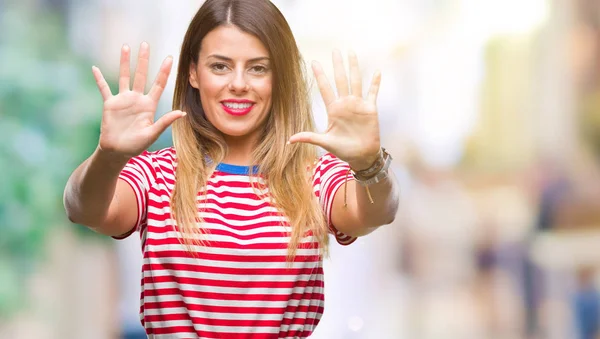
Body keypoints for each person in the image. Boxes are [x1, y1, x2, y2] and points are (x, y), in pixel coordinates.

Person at [63, 0, 399, 337]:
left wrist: (369, 164)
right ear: (193, 73)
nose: (239, 83)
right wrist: (108, 155)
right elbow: (83, 209)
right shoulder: (158, 175)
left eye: (257, 68)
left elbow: (376, 213)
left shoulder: (312, 178)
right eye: (220, 66)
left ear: (278, 77)